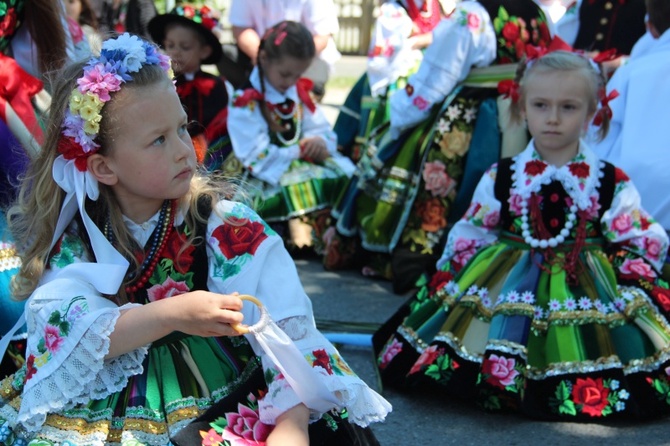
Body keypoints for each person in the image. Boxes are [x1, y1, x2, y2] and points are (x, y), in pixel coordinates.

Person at [0, 33, 390, 444]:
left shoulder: (222, 224)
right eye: (159, 140)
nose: (186, 150)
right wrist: (173, 313)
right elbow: (69, 324)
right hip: (116, 395)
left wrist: (291, 422)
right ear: (103, 166)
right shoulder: (82, 233)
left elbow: (285, 324)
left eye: (182, 128)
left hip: (226, 387)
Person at [372, 50, 670, 420]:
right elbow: (473, 229)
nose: (554, 118)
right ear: (522, 108)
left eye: (569, 107)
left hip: (585, 280)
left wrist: (631, 273)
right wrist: (453, 273)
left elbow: (642, 235)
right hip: (507, 279)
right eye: (541, 105)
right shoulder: (502, 176)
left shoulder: (609, 180)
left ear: (592, 113)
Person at [325, 0, 554, 293]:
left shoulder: (470, 16)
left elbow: (435, 79)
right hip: (521, 118)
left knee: (438, 185)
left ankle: (435, 256)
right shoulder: (536, 12)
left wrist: (398, 117)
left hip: (473, 121)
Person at [227, 21, 356, 253]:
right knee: (276, 195)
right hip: (263, 171)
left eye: (297, 75)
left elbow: (319, 126)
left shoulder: (296, 90)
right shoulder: (245, 100)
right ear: (264, 59)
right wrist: (299, 150)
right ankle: (298, 235)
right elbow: (255, 154)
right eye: (285, 74)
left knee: (347, 174)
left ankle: (318, 234)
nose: (290, 82)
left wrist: (320, 142)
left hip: (294, 160)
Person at [589, 0, 670, 277]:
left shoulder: (632, 71)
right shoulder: (634, 70)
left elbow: (597, 141)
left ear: (650, 28)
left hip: (639, 220)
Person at [333, 0, 449, 162]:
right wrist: (430, 38)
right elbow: (395, 44)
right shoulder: (393, 9)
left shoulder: (436, 6)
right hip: (396, 76)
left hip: (429, 78)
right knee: (385, 120)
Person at [148, 4, 232, 172]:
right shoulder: (162, 85)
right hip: (173, 155)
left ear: (205, 51)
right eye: (170, 45)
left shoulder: (218, 86)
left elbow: (224, 125)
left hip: (214, 156)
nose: (176, 52)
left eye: (185, 47)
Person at [221, 0, 341, 96]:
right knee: (226, 54)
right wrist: (263, 57)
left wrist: (292, 64)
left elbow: (321, 35)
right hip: (261, 56)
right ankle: (249, 94)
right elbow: (240, 28)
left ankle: (305, 94)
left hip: (303, 59)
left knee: (310, 84)